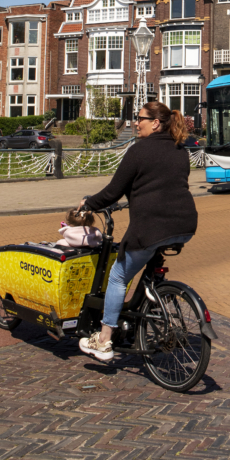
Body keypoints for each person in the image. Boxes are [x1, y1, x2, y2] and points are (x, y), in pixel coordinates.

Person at [77, 101, 198, 361]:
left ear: (155, 123)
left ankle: (104, 339)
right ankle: (148, 307)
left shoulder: (139, 150)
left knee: (118, 276)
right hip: (184, 224)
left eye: (140, 118)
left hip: (152, 226)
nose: (135, 122)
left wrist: (88, 203)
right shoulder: (180, 149)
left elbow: (113, 192)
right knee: (148, 263)